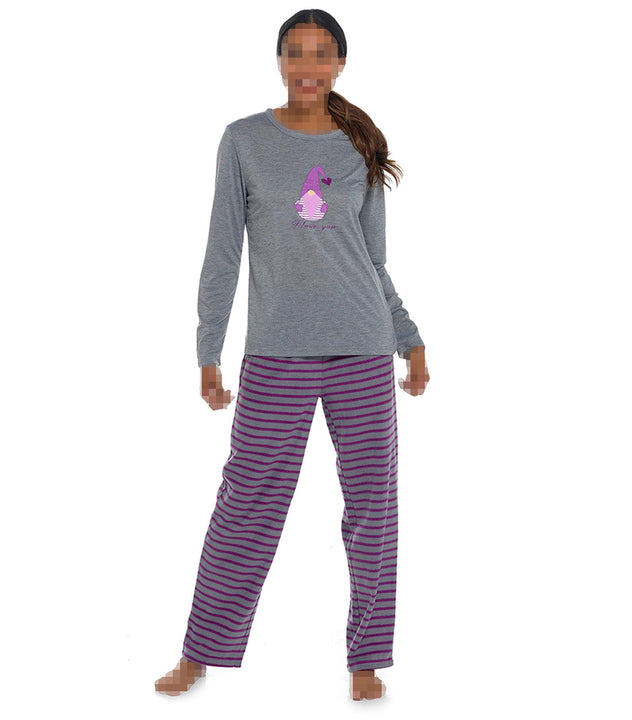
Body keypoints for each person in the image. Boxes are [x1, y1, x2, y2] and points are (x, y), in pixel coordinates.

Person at [155, 8, 430, 701]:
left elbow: (373, 260)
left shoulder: (360, 144)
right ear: (279, 60)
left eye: (321, 53)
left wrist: (409, 338)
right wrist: (208, 351)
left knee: (372, 506)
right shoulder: (244, 140)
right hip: (277, 351)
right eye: (295, 52)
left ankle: (367, 659)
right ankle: (200, 651)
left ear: (341, 64)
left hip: (362, 346)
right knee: (247, 502)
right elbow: (222, 253)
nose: (308, 65)